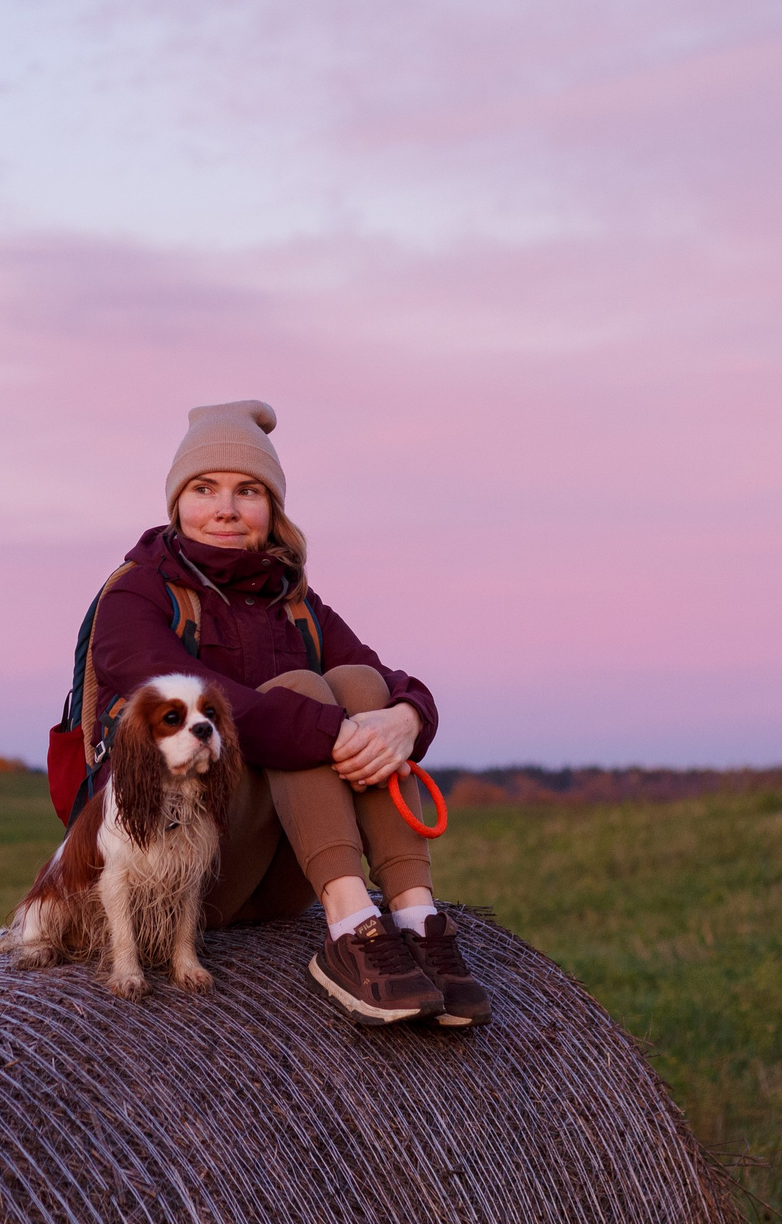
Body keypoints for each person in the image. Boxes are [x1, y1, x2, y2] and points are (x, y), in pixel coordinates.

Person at [86, 400, 490, 1027]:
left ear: (271, 508)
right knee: (302, 691)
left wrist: (407, 720)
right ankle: (352, 927)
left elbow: (387, 680)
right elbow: (221, 704)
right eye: (204, 488)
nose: (226, 508)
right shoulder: (134, 595)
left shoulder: (296, 601)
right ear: (176, 504)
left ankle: (415, 917)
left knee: (355, 681)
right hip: (181, 875)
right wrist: (332, 733)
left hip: (280, 874)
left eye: (248, 490)